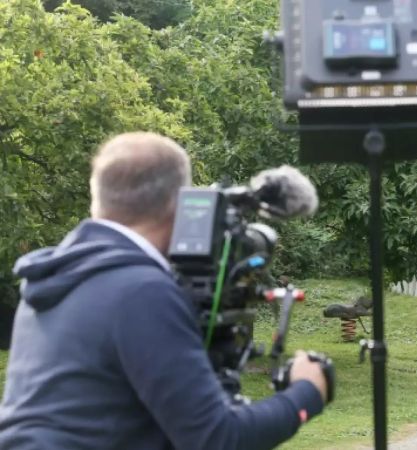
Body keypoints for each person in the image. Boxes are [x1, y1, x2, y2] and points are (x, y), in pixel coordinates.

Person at [0, 132, 329, 449]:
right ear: (178, 205)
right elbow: (218, 439)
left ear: (99, 197)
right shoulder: (141, 291)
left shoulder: (51, 279)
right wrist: (306, 392)